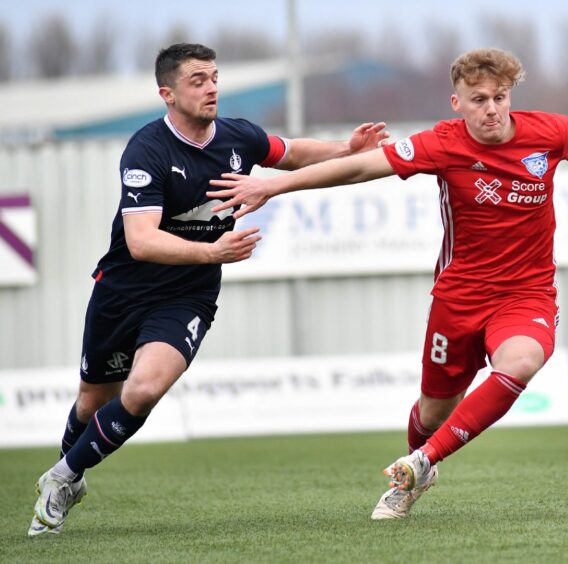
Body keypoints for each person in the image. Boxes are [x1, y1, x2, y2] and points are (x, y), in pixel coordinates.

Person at [208, 47, 568, 520]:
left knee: (521, 362)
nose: (492, 109)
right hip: (458, 298)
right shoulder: (444, 143)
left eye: (500, 97)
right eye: (478, 99)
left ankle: (420, 464)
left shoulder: (548, 131)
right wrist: (272, 186)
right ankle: (421, 460)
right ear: (457, 103)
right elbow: (359, 166)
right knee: (433, 414)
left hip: (527, 294)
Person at [28, 42, 389, 537]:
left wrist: (346, 150)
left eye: (215, 77)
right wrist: (211, 253)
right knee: (92, 402)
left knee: (146, 388)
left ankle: (61, 477)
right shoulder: (147, 149)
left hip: (188, 296)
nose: (212, 87)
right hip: (124, 291)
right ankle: (73, 470)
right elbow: (140, 241)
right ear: (168, 93)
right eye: (198, 80)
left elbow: (291, 153)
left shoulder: (238, 137)